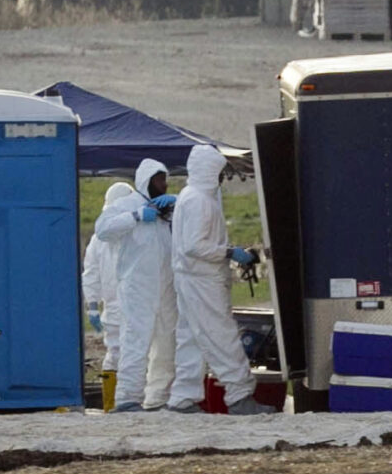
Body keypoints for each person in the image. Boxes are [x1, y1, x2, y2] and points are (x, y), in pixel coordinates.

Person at [167, 144, 273, 415]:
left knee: (190, 338)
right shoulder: (200, 201)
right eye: (220, 172)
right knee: (221, 335)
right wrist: (228, 252)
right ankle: (239, 395)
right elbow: (194, 246)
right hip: (203, 279)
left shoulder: (189, 196)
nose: (223, 178)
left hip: (189, 277)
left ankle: (183, 398)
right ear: (210, 171)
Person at [102, 158, 179, 414]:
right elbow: (103, 229)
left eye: (165, 180)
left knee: (168, 341)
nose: (164, 185)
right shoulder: (127, 205)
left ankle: (158, 397)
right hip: (137, 287)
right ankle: (127, 398)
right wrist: (135, 216)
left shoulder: (166, 211)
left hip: (166, 286)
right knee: (136, 341)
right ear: (146, 180)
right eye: (159, 180)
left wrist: (177, 205)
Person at [81, 181, 136, 377]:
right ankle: (114, 402)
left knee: (129, 354)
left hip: (133, 303)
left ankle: (121, 400)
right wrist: (93, 304)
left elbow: (91, 273)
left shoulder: (135, 232)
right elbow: (91, 272)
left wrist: (94, 305)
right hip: (115, 305)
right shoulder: (99, 238)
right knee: (117, 354)